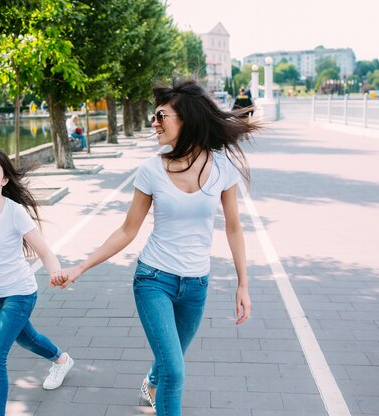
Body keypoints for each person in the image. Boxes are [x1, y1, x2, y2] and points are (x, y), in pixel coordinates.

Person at [51, 79, 258, 416]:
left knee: (169, 361)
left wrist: (243, 284)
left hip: (197, 285)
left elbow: (234, 228)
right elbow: (127, 230)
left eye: (162, 116)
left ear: (187, 120)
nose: (154, 123)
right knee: (174, 371)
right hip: (153, 280)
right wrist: (80, 267)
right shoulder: (151, 170)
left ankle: (149, 381)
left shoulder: (223, 168)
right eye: (154, 116)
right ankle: (158, 387)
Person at [0, 146, 74, 416]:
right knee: (27, 338)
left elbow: (45, 251)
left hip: (20, 293)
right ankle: (62, 359)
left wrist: (55, 272)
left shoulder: (14, 211)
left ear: (4, 179)